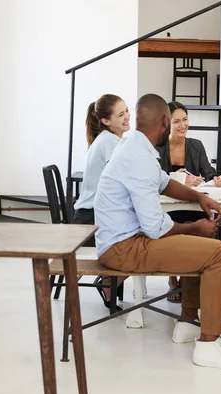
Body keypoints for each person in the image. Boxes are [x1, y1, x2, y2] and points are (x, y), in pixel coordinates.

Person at [94, 93, 221, 370]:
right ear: (165, 122)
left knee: (203, 244)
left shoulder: (135, 146)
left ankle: (189, 323)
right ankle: (210, 344)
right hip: (124, 248)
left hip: (125, 240)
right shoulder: (137, 157)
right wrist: (195, 226)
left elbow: (164, 182)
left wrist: (199, 197)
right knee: (219, 254)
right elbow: (155, 227)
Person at [157, 101, 221, 302]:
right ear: (167, 124)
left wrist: (216, 179)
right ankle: (173, 277)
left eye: (185, 119)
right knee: (175, 225)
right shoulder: (158, 147)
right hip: (168, 206)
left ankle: (192, 280)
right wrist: (177, 178)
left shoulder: (196, 145)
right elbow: (155, 178)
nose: (182, 125)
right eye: (176, 121)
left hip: (194, 204)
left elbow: (208, 173)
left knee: (202, 226)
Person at [72, 94, 130, 310]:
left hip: (91, 214)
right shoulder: (110, 141)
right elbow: (124, 178)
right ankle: (108, 282)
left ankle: (109, 282)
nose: (127, 117)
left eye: (126, 111)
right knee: (144, 240)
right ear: (106, 121)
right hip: (91, 220)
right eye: (120, 114)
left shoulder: (109, 139)